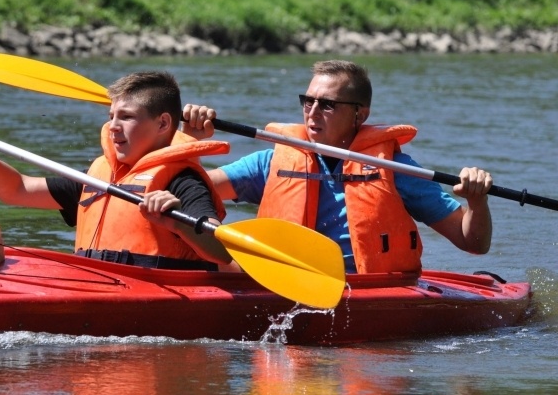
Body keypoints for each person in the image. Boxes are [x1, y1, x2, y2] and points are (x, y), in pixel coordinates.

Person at [181, 60, 493, 274]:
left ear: (360, 115)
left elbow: (473, 242)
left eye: (327, 105)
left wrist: (477, 201)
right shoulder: (270, 162)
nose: (312, 112)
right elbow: (190, 189)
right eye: (308, 101)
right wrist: (189, 140)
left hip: (368, 290)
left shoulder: (394, 169)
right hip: (284, 282)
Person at [0, 71, 241, 271]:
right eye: (111, 116)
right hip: (96, 282)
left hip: (157, 292)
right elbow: (17, 189)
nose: (113, 126)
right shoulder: (98, 175)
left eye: (126, 117)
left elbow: (220, 250)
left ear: (163, 123)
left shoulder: (183, 181)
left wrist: (178, 224)